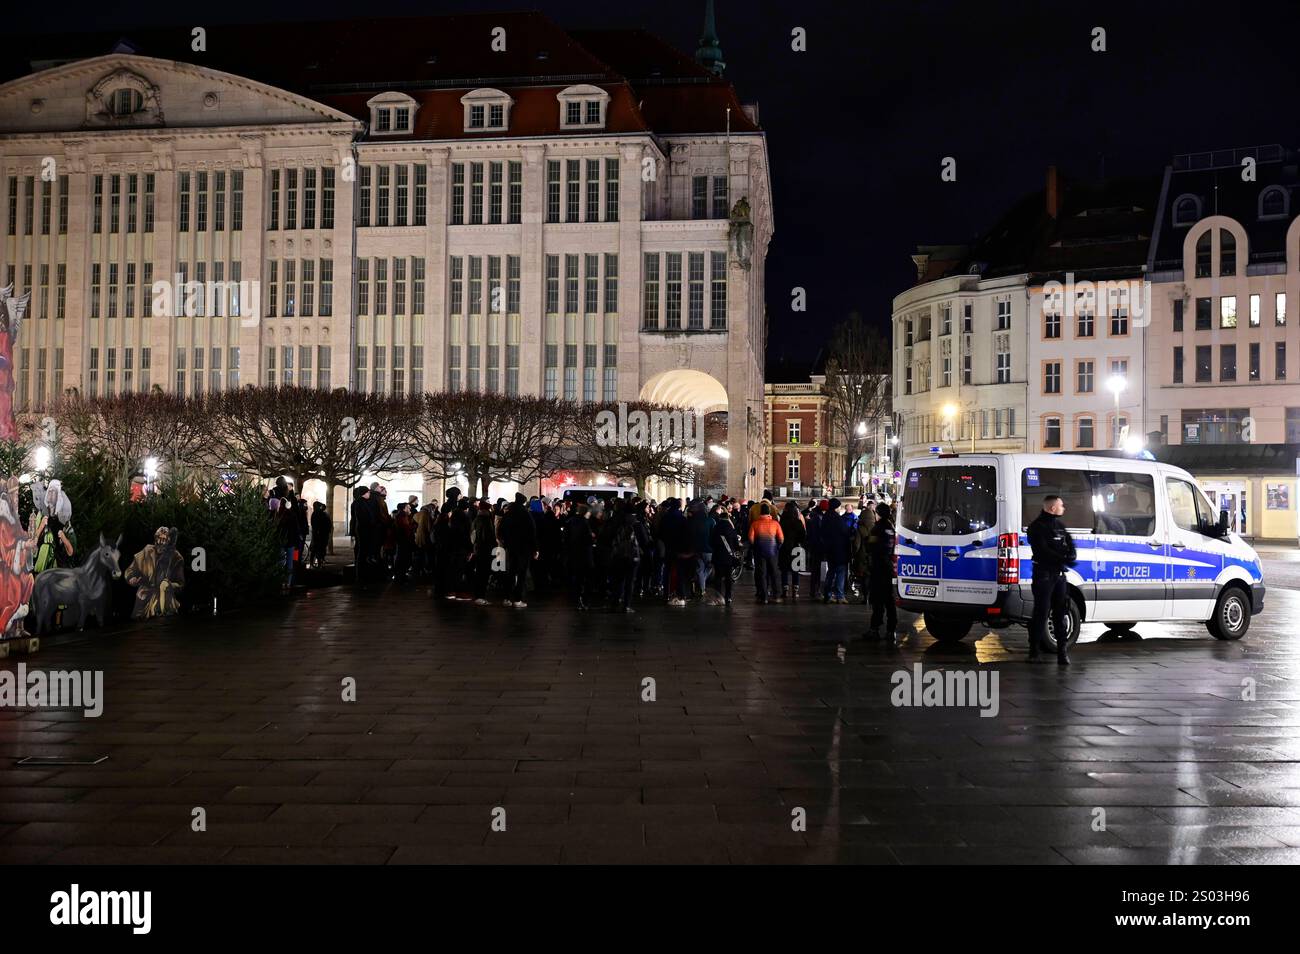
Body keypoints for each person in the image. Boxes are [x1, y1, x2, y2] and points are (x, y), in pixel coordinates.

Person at [1027, 494, 1077, 665]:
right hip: (1044, 575)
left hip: (1059, 576)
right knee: (1041, 612)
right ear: (1052, 507)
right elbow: (1042, 551)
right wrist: (1062, 558)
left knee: (1061, 612)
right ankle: (1034, 651)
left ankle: (1062, 653)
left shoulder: (1060, 526)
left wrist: (1068, 557)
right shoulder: (1037, 527)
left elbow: (1071, 548)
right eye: (1061, 505)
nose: (1064, 508)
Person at [126, 526, 185, 618]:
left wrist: (168, 585)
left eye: (164, 539)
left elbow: (180, 584)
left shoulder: (176, 558)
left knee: (163, 625)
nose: (161, 541)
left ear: (169, 540)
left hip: (165, 599)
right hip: (144, 597)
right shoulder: (146, 551)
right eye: (159, 538)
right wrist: (131, 578)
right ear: (155, 538)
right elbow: (130, 570)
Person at [863, 502, 898, 643]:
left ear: (878, 514)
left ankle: (874, 629)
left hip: (878, 567)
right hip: (888, 567)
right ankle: (891, 630)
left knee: (877, 600)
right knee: (889, 601)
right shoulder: (891, 527)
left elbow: (871, 546)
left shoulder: (877, 528)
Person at [497, 494, 537, 607]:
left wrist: (506, 541)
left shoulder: (508, 514)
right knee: (521, 573)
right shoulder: (526, 514)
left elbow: (501, 530)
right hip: (524, 548)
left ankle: (506, 597)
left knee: (511, 572)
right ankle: (518, 599)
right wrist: (535, 548)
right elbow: (532, 532)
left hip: (511, 547)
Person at [747, 500, 783, 604]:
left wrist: (755, 546)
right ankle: (776, 595)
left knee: (762, 573)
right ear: (769, 512)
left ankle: (764, 596)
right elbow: (781, 538)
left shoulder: (755, 524)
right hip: (773, 551)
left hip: (759, 552)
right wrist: (777, 547)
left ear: (760, 513)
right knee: (774, 573)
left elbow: (751, 538)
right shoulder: (775, 524)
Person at [818, 498, 851, 604]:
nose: (840, 508)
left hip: (829, 550)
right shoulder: (837, 519)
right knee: (841, 572)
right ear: (836, 507)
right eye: (839, 506)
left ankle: (827, 595)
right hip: (839, 550)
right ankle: (840, 596)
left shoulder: (825, 517)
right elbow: (845, 532)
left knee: (831, 572)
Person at [709, 505, 741, 605]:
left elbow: (711, 542)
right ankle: (728, 597)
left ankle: (719, 597)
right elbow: (736, 545)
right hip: (728, 557)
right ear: (727, 518)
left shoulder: (715, 528)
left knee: (718, 577)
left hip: (717, 556)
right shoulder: (731, 529)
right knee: (728, 578)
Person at [777, 499, 806, 601]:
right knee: (795, 570)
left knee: (784, 570)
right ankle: (795, 591)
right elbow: (803, 535)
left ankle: (785, 590)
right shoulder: (798, 522)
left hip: (784, 548)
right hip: (796, 547)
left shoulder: (782, 522)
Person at [309, 501, 332, 568]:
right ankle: (315, 563)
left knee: (320, 548)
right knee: (316, 549)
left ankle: (319, 562)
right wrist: (318, 532)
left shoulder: (322, 513)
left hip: (322, 534)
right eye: (319, 506)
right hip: (318, 534)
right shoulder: (316, 514)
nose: (321, 507)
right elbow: (315, 525)